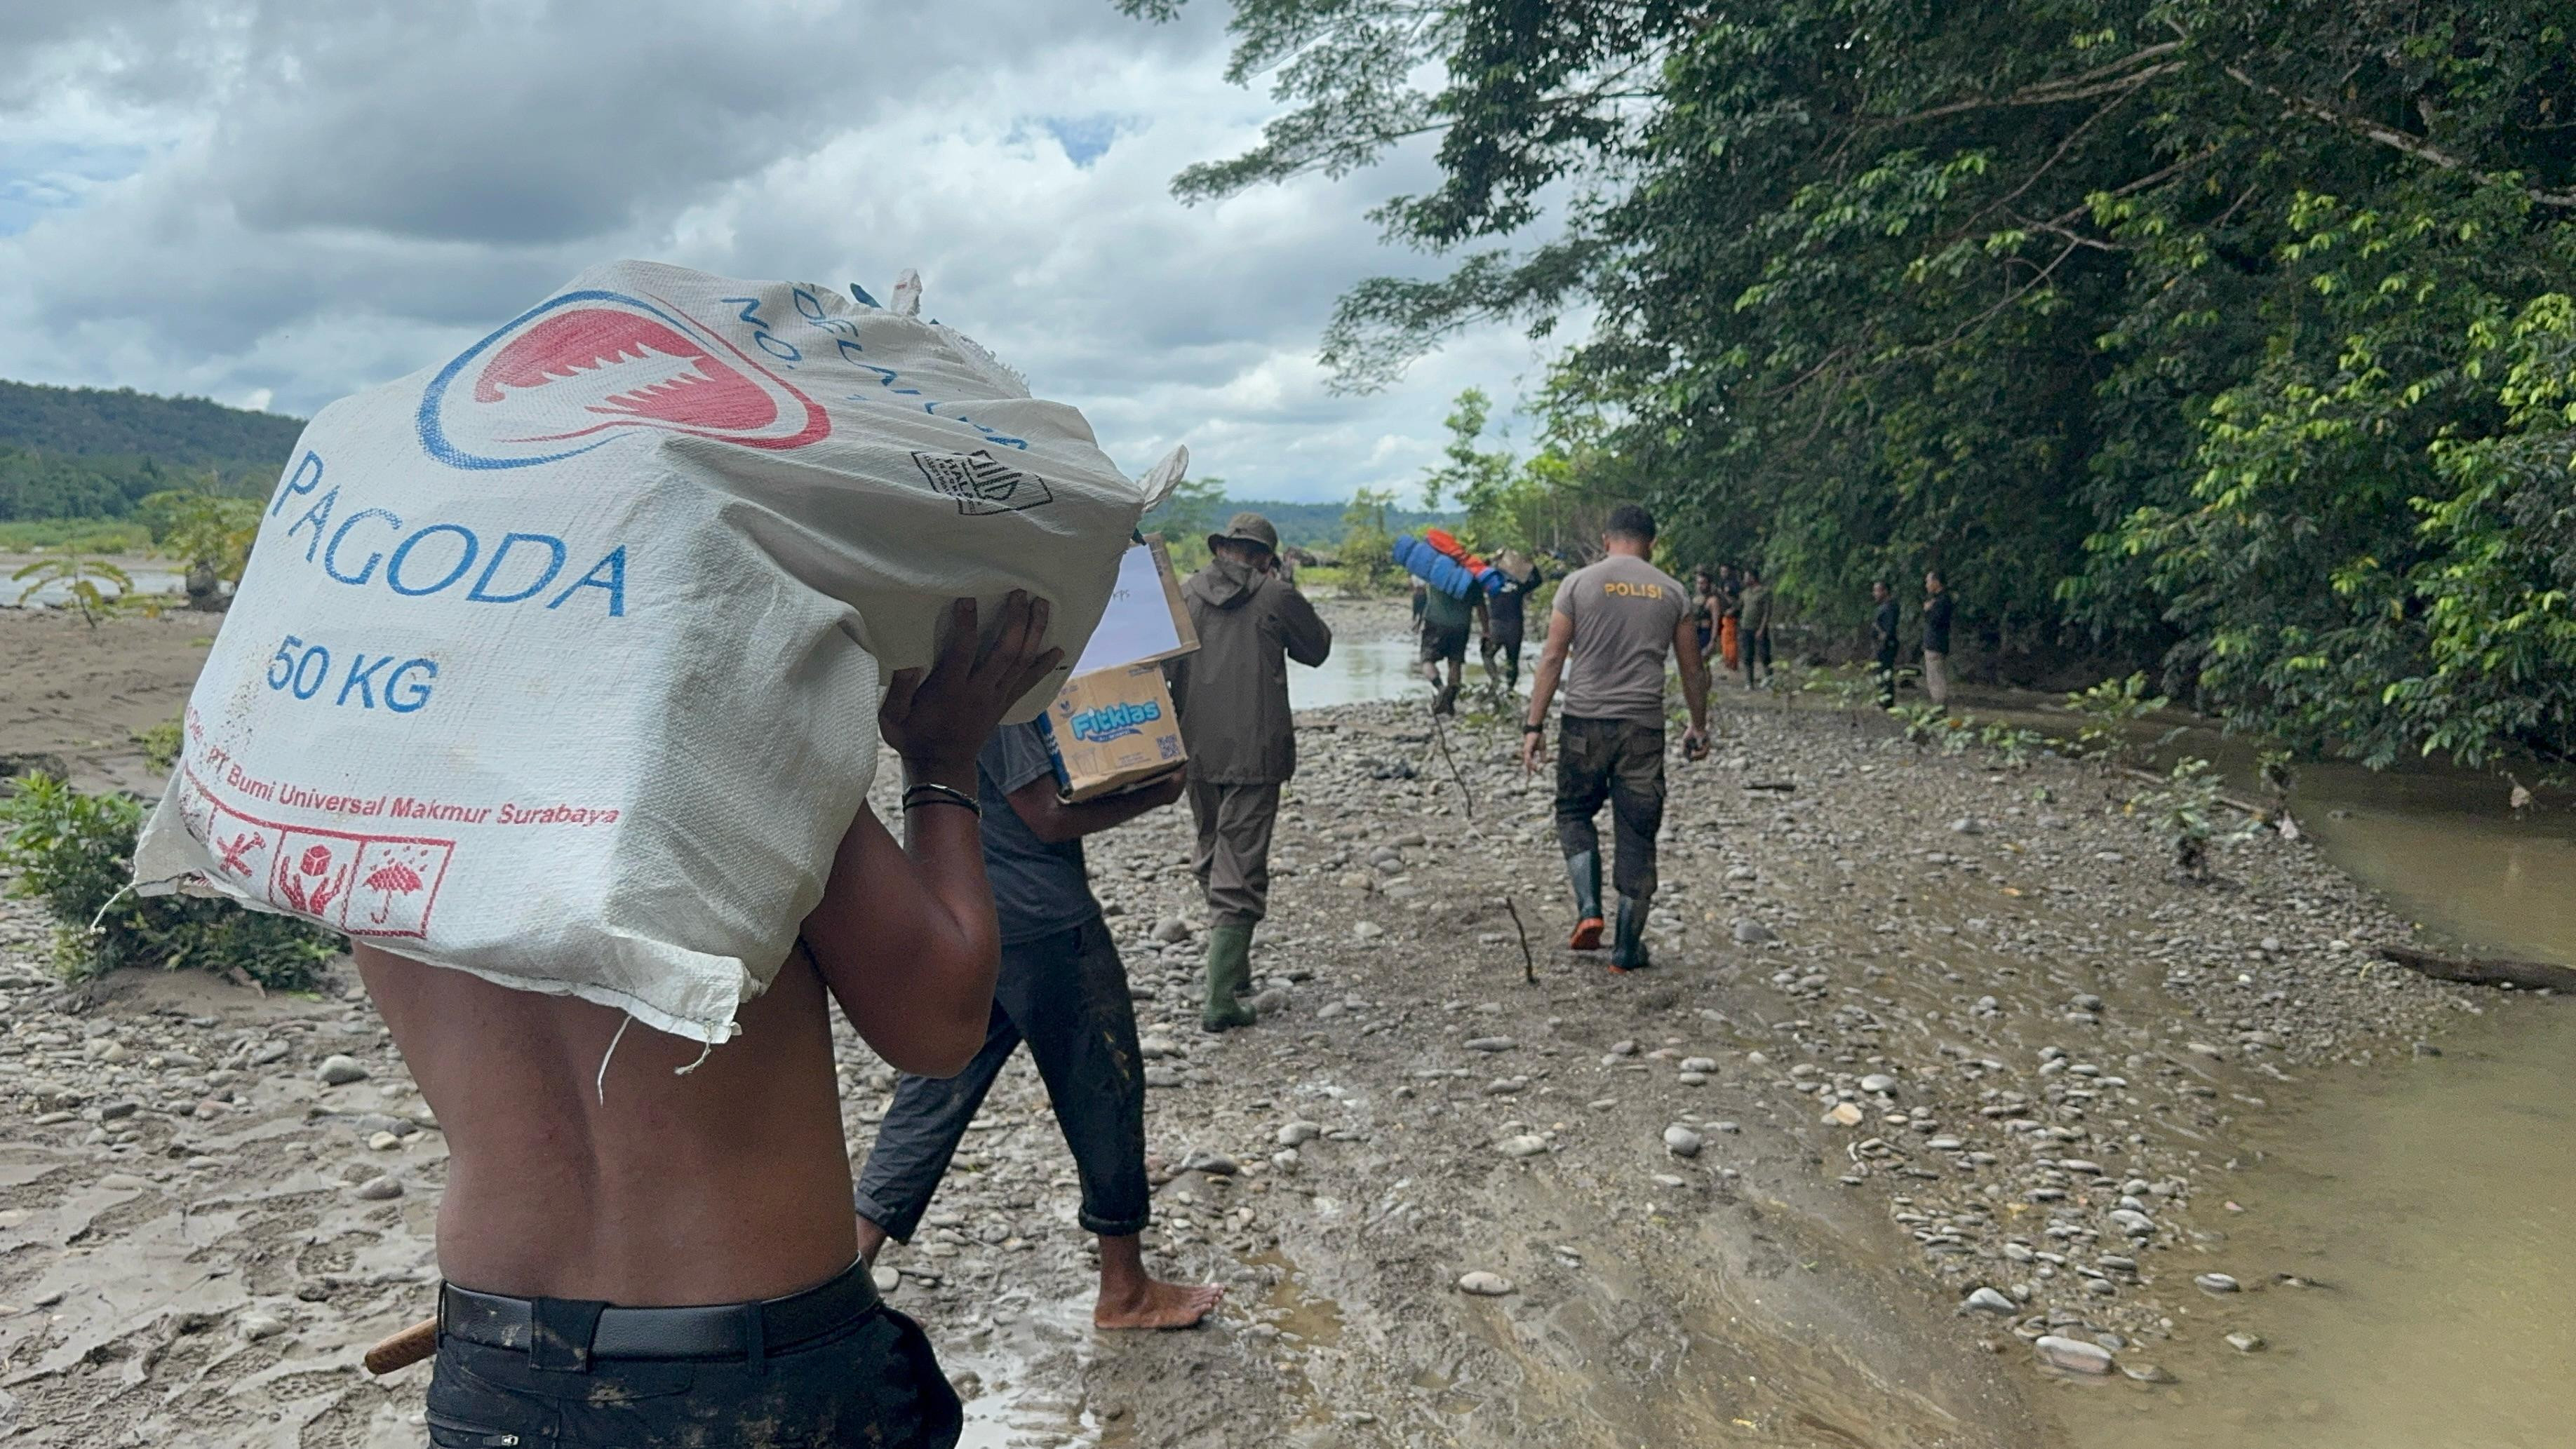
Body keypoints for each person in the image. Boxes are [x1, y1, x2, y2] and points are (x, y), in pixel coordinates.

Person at [359, 592, 1061, 1449]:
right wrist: (942, 762)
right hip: (750, 1371)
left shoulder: (364, 768)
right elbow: (940, 1026)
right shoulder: (714, 728)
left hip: (495, 1365)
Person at [852, 725, 1220, 1331]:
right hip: (1042, 921)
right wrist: (1158, 790)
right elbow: (1046, 814)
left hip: (967, 914)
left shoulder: (943, 688)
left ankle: (847, 1273)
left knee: (935, 1092)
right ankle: (1125, 1291)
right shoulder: (1008, 704)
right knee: (1105, 1092)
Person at [1520, 504, 1711, 972]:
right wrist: (1698, 725)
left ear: (1607, 540)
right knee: (1637, 831)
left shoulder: (1578, 584)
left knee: (1573, 811)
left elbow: (1553, 657)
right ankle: (1626, 948)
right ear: (1652, 544)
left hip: (1584, 722)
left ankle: (1589, 909)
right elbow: (1692, 669)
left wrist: (1534, 726)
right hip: (1642, 727)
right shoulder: (1673, 591)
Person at [1169, 513, 1332, 1030]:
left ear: (1221, 548)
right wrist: (1286, 590)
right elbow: (1318, 650)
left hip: (1195, 747)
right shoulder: (1275, 596)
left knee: (1211, 850)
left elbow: (1161, 669)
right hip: (1256, 752)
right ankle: (1220, 998)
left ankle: (1234, 971)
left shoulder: (1184, 594)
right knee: (1240, 864)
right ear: (1264, 557)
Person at [1418, 570, 1488, 715]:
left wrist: (1419, 620)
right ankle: (1449, 702)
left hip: (1435, 623)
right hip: (1461, 626)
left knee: (1427, 660)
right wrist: (1486, 630)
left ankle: (1440, 687)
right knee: (1455, 663)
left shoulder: (1436, 573)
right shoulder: (1471, 580)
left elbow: (1424, 595)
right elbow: (1481, 607)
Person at [1480, 550, 1542, 699]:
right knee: (1512, 660)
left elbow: (1479, 571)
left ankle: (1495, 680)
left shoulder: (1492, 584)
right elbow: (1538, 581)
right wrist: (1530, 566)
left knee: (1487, 654)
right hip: (1514, 626)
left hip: (1496, 626)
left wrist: (1492, 558)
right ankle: (1509, 690)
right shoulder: (1519, 585)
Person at [1736, 564, 1775, 689]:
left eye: (1746, 577)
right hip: (1746, 628)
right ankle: (1749, 681)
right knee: (1747, 655)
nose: (1744, 580)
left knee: (1764, 655)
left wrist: (1761, 629)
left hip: (1759, 628)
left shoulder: (1765, 592)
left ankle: (1769, 679)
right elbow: (1738, 607)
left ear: (1753, 578)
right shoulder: (1745, 593)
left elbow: (1767, 613)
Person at [1921, 570, 1954, 710]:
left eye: (1928, 582)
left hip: (1936, 645)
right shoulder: (1940, 600)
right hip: (1935, 644)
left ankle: (1940, 709)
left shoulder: (1942, 601)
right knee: (1934, 679)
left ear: (1936, 582)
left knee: (1937, 680)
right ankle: (1938, 708)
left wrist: (1928, 610)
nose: (1927, 585)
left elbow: (1936, 621)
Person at [1871, 581, 1900, 708]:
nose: (1874, 594)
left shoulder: (1890, 608)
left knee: (1885, 674)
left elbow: (1889, 630)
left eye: (1877, 591)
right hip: (1881, 646)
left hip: (1886, 647)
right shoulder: (1884, 607)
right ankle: (1883, 700)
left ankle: (1886, 702)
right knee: (1881, 674)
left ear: (1885, 591)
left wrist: (1883, 640)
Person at [1716, 565, 1742, 673]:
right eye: (1721, 571)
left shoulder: (1734, 584)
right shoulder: (1723, 583)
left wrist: (1733, 609)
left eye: (1725, 571)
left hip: (1731, 616)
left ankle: (1732, 662)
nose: (1723, 573)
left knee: (1730, 640)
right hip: (1724, 615)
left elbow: (1738, 600)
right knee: (1725, 639)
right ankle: (1727, 661)